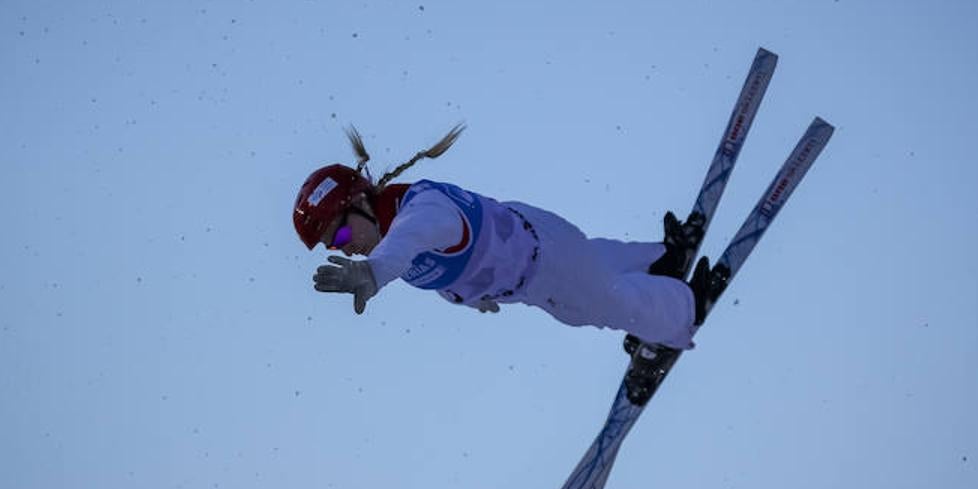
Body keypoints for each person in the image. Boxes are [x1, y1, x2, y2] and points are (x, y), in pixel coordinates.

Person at [293, 125, 713, 350]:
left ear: (363, 201)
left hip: (543, 271)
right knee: (594, 263)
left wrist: (372, 273)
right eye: (334, 243)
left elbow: (411, 240)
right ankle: (660, 259)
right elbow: (425, 258)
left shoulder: (418, 214)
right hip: (539, 244)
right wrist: (466, 296)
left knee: (606, 305)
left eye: (343, 230)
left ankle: (681, 312)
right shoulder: (399, 230)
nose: (344, 246)